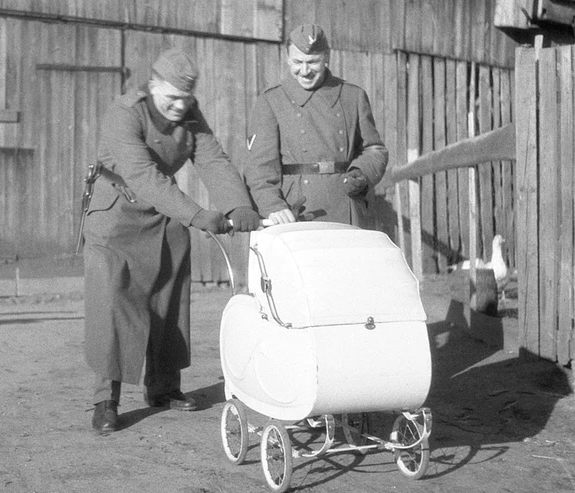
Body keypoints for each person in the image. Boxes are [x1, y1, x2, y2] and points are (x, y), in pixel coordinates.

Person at [82, 48, 259, 435]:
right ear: (152, 87)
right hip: (117, 215)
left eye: (186, 99)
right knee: (113, 300)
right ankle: (105, 400)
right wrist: (198, 215)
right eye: (171, 98)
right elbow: (143, 176)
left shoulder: (190, 117)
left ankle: (163, 389)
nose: (179, 107)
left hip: (164, 214)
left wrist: (239, 205)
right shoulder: (125, 112)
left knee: (170, 298)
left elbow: (213, 160)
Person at [243, 24, 389, 228]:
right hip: (295, 211)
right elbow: (259, 169)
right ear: (287, 57)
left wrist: (362, 173)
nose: (304, 71)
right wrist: (274, 207)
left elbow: (374, 149)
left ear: (327, 57)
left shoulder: (352, 96)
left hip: (346, 207)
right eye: (297, 62)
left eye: (312, 62)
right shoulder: (272, 100)